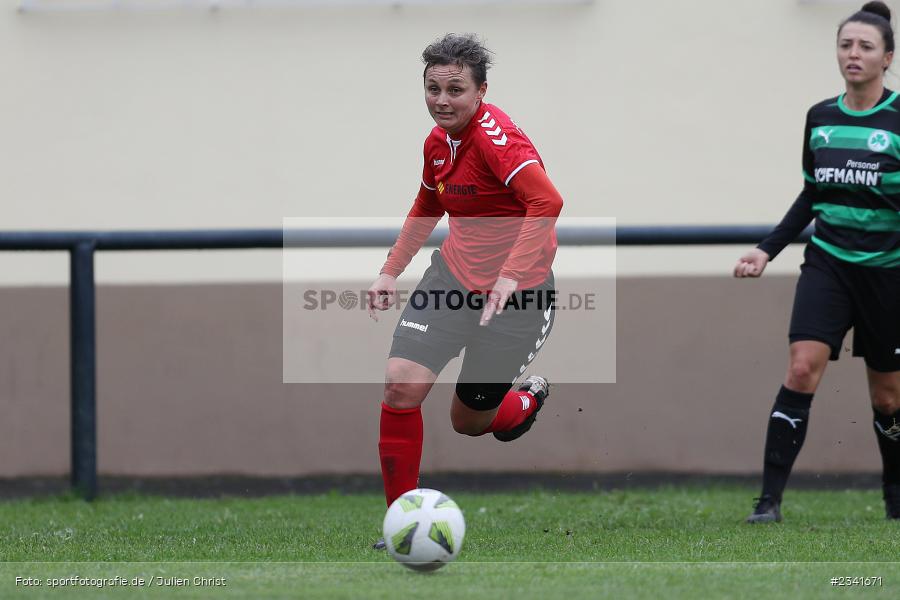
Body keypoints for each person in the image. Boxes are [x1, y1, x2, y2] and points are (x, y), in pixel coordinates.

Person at [367, 33, 563, 547]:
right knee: (399, 385)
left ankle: (523, 402)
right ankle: (399, 526)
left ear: (480, 93)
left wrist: (510, 275)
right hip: (452, 280)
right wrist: (391, 270)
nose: (442, 100)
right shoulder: (437, 143)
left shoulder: (498, 140)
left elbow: (547, 202)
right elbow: (428, 205)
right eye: (433, 88)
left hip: (518, 299)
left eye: (455, 89)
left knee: (469, 422)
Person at [735, 1, 900, 523]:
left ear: (887, 58)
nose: (853, 54)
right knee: (802, 369)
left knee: (890, 398)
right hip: (827, 265)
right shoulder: (821, 118)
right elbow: (812, 194)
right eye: (845, 44)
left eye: (865, 46)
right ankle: (769, 503)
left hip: (888, 273)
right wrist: (767, 248)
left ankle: (895, 499)